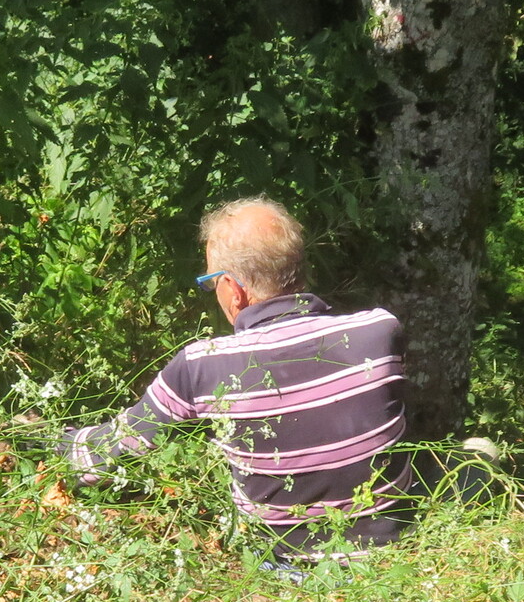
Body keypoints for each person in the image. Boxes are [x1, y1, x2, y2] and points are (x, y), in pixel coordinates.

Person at [63, 197, 414, 569]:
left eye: (210, 282)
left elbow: (113, 449)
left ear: (233, 288)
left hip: (285, 563)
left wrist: (46, 441)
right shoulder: (379, 331)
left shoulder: (203, 365)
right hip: (390, 557)